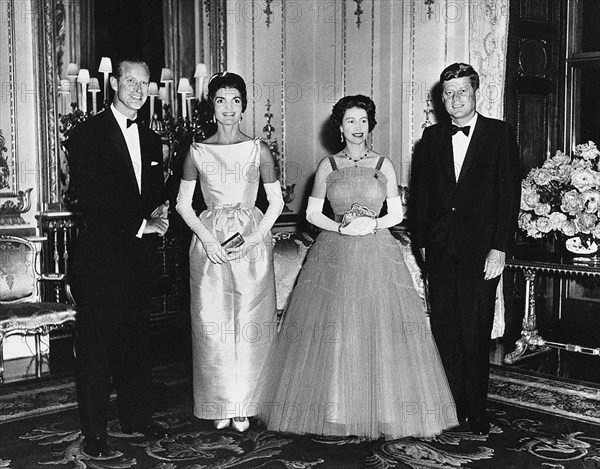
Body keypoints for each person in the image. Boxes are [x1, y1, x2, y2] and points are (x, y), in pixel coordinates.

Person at [253, 95, 458, 440]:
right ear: (340, 126)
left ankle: (385, 409)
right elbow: (312, 214)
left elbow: (396, 213)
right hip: (334, 253)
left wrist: (372, 226)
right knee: (337, 328)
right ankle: (337, 408)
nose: (357, 128)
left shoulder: (383, 164)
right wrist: (341, 228)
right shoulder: (328, 166)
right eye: (350, 121)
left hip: (377, 252)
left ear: (370, 124)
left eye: (363, 120)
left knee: (379, 328)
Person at [65, 59, 170, 457]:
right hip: (100, 258)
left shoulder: (151, 139)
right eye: (130, 81)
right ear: (113, 83)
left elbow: (154, 192)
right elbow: (90, 199)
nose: (138, 89)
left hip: (138, 258)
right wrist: (140, 225)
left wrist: (161, 214)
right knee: (96, 347)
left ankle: (135, 416)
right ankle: (94, 430)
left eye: (145, 83)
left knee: (135, 339)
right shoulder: (86, 135)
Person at [410, 63, 521, 435]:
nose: (455, 99)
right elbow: (422, 196)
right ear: (441, 98)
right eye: (448, 93)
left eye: (462, 91)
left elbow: (509, 196)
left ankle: (477, 409)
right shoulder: (431, 138)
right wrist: (422, 242)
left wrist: (499, 249)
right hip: (440, 250)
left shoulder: (499, 134)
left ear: (476, 93)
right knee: (445, 329)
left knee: (475, 330)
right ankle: (451, 406)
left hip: (481, 252)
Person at [175, 72, 284, 433]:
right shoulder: (196, 151)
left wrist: (254, 239)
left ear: (244, 105)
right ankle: (221, 401)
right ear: (212, 105)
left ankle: (247, 405)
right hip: (210, 244)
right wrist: (207, 240)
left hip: (251, 243)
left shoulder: (259, 149)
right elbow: (183, 204)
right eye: (221, 100)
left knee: (252, 323)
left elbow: (277, 201)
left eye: (235, 100)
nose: (228, 108)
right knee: (213, 324)